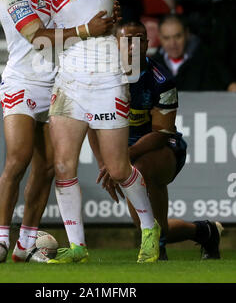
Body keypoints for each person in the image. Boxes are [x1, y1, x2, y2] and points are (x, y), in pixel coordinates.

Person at [0, 0, 114, 263]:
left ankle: (25, 244)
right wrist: (87, 30)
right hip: (23, 82)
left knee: (47, 169)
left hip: (58, 83)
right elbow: (38, 37)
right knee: (18, 158)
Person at [46, 0, 160, 265]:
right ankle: (77, 246)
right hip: (67, 83)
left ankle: (149, 229)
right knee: (63, 166)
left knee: (117, 168)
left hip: (106, 80)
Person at [92, 20, 223, 261]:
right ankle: (205, 231)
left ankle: (159, 247)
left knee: (138, 170)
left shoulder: (161, 80)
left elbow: (162, 132)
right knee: (149, 227)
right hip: (124, 152)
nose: (132, 46)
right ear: (116, 44)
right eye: (126, 40)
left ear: (147, 44)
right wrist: (106, 163)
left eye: (139, 39)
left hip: (162, 147)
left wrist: (122, 159)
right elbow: (91, 124)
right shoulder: (102, 78)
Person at [151, 14, 230, 91]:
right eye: (166, 38)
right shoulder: (151, 66)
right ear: (160, 38)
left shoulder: (208, 60)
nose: (172, 44)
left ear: (187, 34)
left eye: (178, 36)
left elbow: (229, 85)